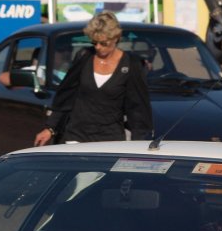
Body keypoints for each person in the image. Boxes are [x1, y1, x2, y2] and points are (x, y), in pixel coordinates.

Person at [33, 11, 153, 146]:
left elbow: (138, 109)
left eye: (103, 43)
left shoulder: (131, 65)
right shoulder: (84, 56)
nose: (98, 47)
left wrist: (140, 144)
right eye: (94, 43)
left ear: (116, 38)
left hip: (110, 140)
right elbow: (66, 96)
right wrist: (50, 128)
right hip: (76, 136)